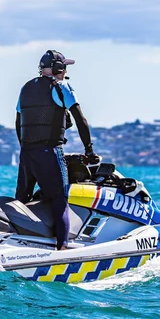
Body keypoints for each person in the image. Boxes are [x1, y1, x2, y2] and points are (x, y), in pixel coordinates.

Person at [15, 50, 99, 250]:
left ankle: (17, 243)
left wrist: (26, 149)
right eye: (65, 68)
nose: (66, 72)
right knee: (59, 200)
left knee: (21, 201)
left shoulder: (25, 88)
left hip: (27, 154)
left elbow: (19, 123)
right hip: (49, 153)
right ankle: (62, 249)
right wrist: (89, 151)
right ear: (58, 69)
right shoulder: (62, 87)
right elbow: (81, 120)